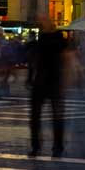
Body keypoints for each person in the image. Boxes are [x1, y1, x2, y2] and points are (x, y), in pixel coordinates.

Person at [27, 18, 71, 157]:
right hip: (52, 82)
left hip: (45, 81)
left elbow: (34, 60)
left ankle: (39, 147)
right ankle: (55, 147)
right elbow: (34, 60)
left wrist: (30, 77)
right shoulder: (59, 41)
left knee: (37, 117)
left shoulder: (45, 41)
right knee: (54, 117)